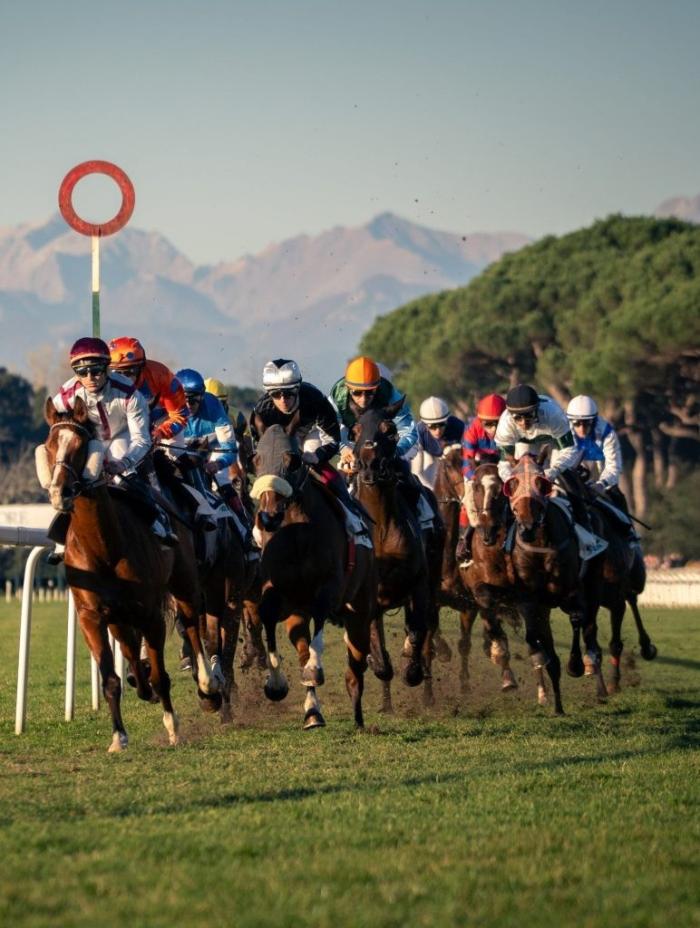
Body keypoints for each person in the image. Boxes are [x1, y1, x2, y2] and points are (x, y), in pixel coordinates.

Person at [45, 337, 176, 557]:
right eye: (82, 371)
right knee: (74, 476)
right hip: (90, 439)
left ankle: (157, 519)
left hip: (122, 435)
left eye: (96, 370)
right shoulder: (65, 395)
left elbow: (141, 440)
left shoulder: (129, 394)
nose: (90, 378)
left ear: (107, 368)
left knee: (123, 475)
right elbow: (58, 429)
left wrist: (123, 463)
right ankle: (63, 534)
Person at [495, 383, 592, 531]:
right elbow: (504, 463)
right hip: (523, 444)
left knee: (567, 476)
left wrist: (554, 470)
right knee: (513, 486)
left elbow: (569, 450)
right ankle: (505, 529)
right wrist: (511, 477)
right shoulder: (505, 424)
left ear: (537, 409)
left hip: (553, 442)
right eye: (518, 418)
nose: (523, 422)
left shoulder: (553, 414)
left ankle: (585, 525)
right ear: (510, 415)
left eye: (529, 415)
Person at [567, 395, 638, 541]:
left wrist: (601, 484)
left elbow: (614, 466)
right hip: (569, 477)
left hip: (597, 478)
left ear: (594, 420)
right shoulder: (561, 430)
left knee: (616, 494)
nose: (582, 428)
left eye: (587, 424)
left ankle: (628, 534)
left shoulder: (607, 432)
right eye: (577, 424)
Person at [328, 355, 419, 470]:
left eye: (370, 392)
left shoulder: (391, 396)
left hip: (383, 440)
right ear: (347, 388)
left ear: (377, 387)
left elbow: (409, 431)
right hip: (348, 435)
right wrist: (343, 449)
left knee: (405, 458)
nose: (364, 399)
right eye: (357, 393)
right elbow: (328, 431)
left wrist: (395, 452)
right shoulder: (336, 398)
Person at [108, 336, 189, 443]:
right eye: (117, 373)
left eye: (130, 372)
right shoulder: (99, 381)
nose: (123, 378)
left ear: (142, 367)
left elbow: (180, 415)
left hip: (160, 423)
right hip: (123, 428)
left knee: (176, 452)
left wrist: (161, 433)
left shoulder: (162, 376)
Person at [457, 393, 506, 566]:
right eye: (488, 424)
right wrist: (476, 479)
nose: (492, 429)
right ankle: (464, 541)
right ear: (480, 421)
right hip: (477, 469)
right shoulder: (472, 430)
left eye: (497, 423)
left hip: (503, 468)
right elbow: (467, 462)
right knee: (467, 501)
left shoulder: (511, 428)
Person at [411, 396, 464, 490]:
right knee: (430, 467)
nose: (438, 430)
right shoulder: (418, 433)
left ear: (447, 421)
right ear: (425, 425)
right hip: (428, 455)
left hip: (449, 454)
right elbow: (417, 472)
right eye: (432, 426)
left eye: (441, 425)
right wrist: (432, 491)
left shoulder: (459, 427)